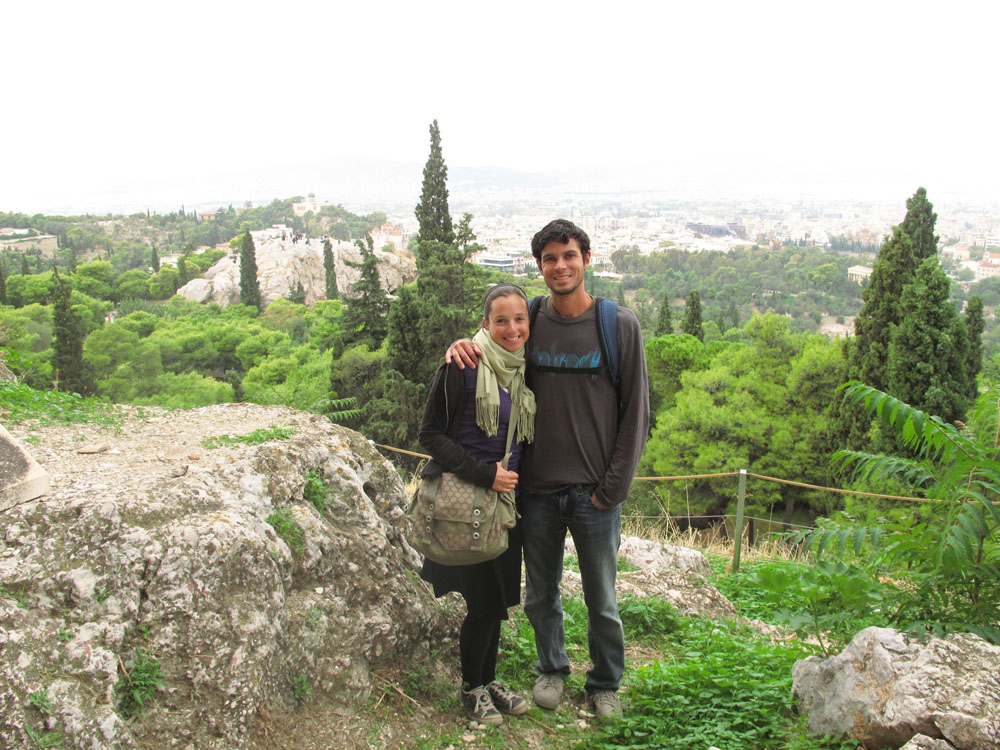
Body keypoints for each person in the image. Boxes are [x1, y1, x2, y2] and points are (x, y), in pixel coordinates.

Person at [447, 219, 649, 722]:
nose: (561, 266)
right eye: (551, 259)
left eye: (569, 256)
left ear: (586, 259)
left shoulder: (617, 325)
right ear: (539, 267)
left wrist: (612, 490)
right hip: (535, 490)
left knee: (603, 599)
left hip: (594, 493)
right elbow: (493, 342)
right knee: (541, 595)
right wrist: (459, 346)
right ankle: (551, 669)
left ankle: (605, 683)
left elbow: (636, 414)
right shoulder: (531, 319)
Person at [418, 283, 537, 726]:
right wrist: (486, 474)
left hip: (506, 509)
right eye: (500, 320)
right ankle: (472, 689)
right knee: (484, 603)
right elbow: (429, 435)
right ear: (484, 323)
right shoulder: (462, 364)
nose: (511, 328)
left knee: (500, 601)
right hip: (467, 505)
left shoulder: (522, 368)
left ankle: (488, 681)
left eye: (519, 319)